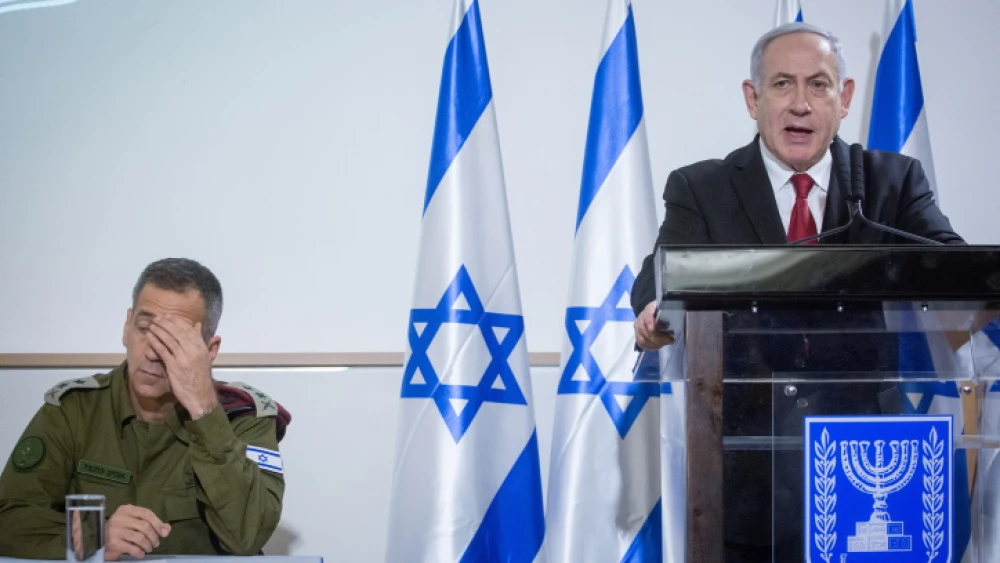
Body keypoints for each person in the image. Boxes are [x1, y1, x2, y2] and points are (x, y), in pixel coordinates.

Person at [630, 23, 962, 563]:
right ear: (752, 98)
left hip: (866, 471)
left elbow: (956, 267)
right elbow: (659, 275)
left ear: (845, 97)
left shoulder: (891, 184)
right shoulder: (702, 188)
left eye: (819, 84)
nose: (801, 105)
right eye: (783, 84)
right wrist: (652, 311)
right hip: (745, 476)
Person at [0, 258, 291, 559]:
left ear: (209, 350)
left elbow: (248, 537)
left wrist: (205, 410)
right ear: (127, 327)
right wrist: (93, 537)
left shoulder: (244, 419)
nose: (152, 351)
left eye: (174, 339)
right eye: (144, 328)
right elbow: (9, 517)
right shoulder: (74, 409)